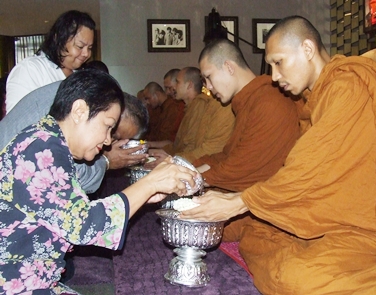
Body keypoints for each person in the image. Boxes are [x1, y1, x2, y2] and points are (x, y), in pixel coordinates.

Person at [181, 16, 376, 294]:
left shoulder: (349, 87)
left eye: (278, 62)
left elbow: (308, 169)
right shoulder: (314, 98)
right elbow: (315, 168)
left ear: (307, 50)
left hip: (374, 222)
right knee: (256, 235)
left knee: (293, 278)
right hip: (339, 211)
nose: (273, 76)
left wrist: (240, 201)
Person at [0, 69, 196, 295]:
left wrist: (144, 193)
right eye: (107, 126)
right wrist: (149, 183)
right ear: (79, 111)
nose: (106, 140)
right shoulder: (40, 149)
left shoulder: (48, 140)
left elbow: (70, 214)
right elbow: (83, 225)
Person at [0, 79, 148, 194]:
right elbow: (75, 184)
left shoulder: (79, 94)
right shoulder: (51, 133)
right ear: (80, 111)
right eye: (109, 128)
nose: (109, 141)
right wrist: (107, 161)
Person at [194, 38, 300, 192]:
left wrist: (190, 178)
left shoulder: (269, 101)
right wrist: (189, 169)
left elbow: (240, 169)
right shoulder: (247, 101)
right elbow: (228, 156)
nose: (208, 88)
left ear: (229, 67)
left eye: (208, 77)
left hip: (264, 202)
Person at [6, 10, 95, 113]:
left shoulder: (80, 76)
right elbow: (17, 121)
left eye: (90, 48)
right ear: (59, 39)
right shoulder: (30, 70)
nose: (86, 54)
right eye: (80, 46)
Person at [148, 66, 235, 164]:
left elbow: (193, 145)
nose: (174, 88)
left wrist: (173, 160)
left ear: (189, 85)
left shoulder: (201, 104)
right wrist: (161, 152)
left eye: (177, 82)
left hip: (197, 163)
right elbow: (179, 144)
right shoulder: (189, 106)